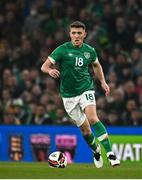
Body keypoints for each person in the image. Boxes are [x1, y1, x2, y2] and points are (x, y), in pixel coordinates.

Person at [41, 21, 120, 168]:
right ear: (70, 34)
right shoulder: (62, 50)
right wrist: (50, 71)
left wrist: (103, 81)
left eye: (79, 33)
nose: (76, 36)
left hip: (86, 89)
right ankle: (96, 151)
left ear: (84, 34)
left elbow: (96, 65)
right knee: (85, 130)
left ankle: (110, 154)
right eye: (73, 33)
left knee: (92, 118)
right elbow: (44, 66)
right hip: (68, 96)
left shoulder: (90, 50)